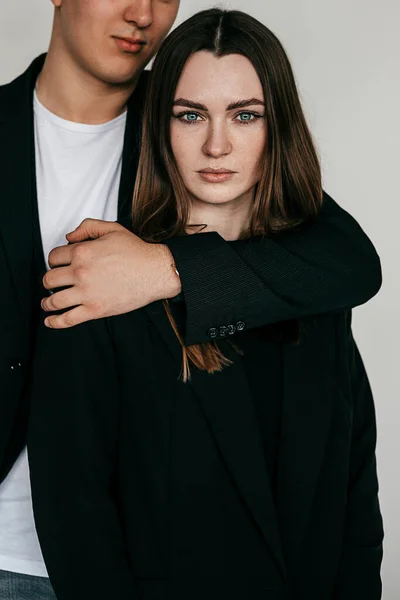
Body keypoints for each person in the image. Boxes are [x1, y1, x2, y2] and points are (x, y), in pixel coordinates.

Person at [28, 8, 383, 600]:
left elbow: (354, 496)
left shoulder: (315, 290)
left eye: (245, 115)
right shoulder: (96, 288)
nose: (217, 144)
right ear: (159, 127)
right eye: (191, 116)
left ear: (278, 127)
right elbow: (78, 519)